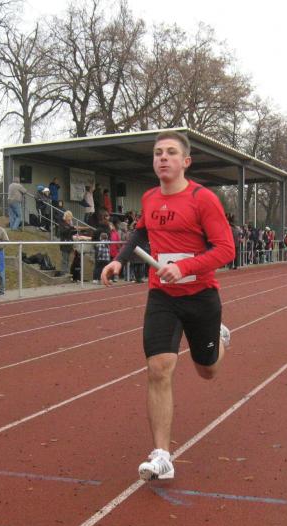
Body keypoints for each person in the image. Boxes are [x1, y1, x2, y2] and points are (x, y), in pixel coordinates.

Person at [100, 131, 235, 481]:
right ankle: (162, 455)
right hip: (163, 296)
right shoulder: (149, 198)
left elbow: (226, 249)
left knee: (207, 370)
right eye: (158, 152)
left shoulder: (203, 199)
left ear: (185, 161)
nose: (163, 157)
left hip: (201, 296)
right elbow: (141, 233)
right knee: (159, 368)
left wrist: (185, 267)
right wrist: (119, 260)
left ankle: (219, 338)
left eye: (171, 152)